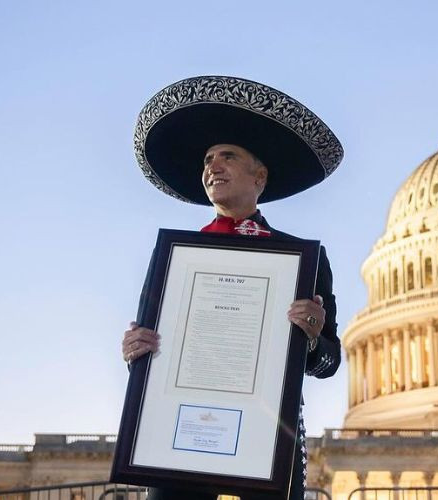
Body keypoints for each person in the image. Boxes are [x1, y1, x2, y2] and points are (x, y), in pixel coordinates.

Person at [121, 76, 345, 500]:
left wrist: (313, 338)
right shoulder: (173, 260)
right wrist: (137, 350)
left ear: (259, 175)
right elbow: (153, 359)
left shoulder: (303, 261)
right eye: (207, 159)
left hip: (268, 433)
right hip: (180, 430)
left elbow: (327, 363)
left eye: (228, 156)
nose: (212, 166)